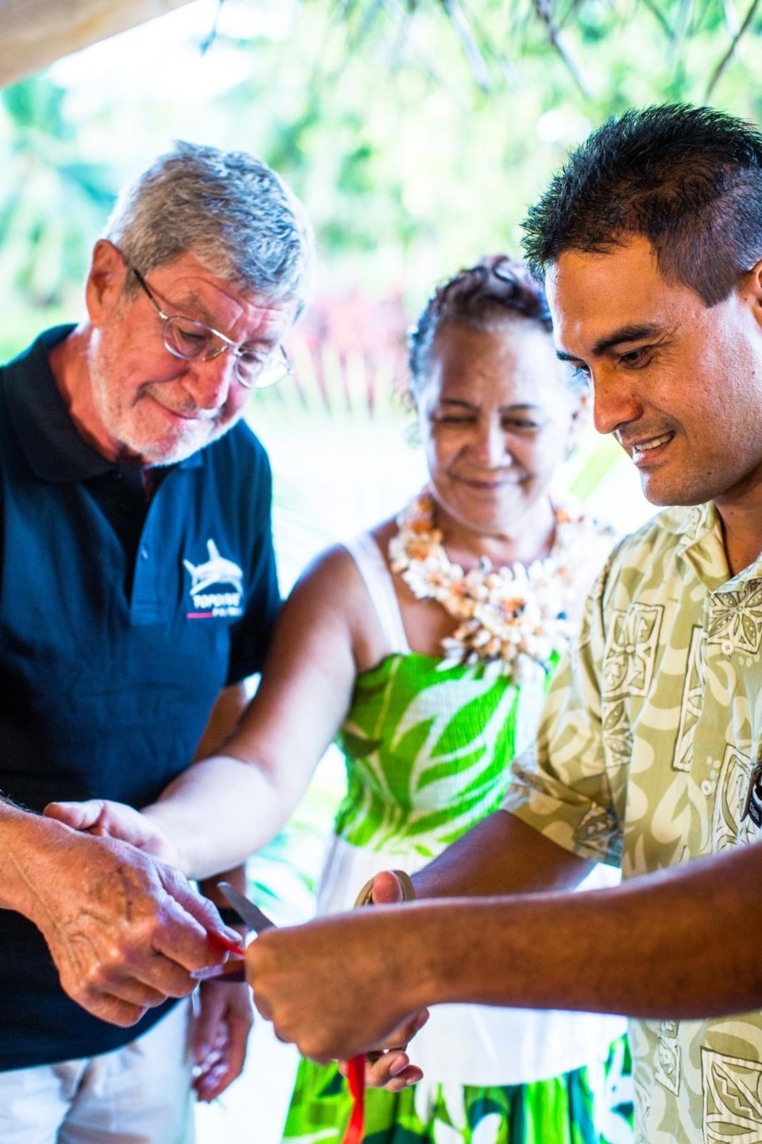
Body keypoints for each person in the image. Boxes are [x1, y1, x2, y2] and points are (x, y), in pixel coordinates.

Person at [237, 103, 762, 1144]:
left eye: (637, 351)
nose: (605, 412)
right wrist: (398, 917)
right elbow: (558, 808)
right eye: (588, 367)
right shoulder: (642, 575)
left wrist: (422, 956)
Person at [50, 255, 632, 1143]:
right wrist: (162, 838)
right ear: (416, 410)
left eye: (520, 419)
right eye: (454, 416)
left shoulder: (628, 576)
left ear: (573, 414)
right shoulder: (353, 583)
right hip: (386, 997)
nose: (487, 448)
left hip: (570, 1000)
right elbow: (261, 767)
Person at [0, 140, 313, 1142]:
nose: (214, 388)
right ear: (104, 281)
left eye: (254, 356)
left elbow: (226, 695)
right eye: (191, 332)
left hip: (147, 1017)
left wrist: (219, 900)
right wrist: (46, 863)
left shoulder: (237, 468)